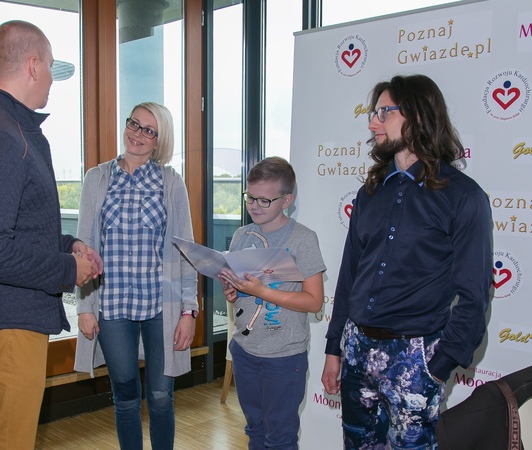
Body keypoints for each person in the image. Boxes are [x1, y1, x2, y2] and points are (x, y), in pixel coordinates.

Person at [0, 20, 102, 449]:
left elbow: (15, 227)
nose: (52, 79)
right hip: (7, 325)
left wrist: (69, 245)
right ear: (33, 66)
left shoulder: (5, 126)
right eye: (50, 66)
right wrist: (68, 268)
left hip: (9, 321)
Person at [321, 74, 493, 449]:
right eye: (373, 114)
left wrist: (438, 366)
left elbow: (475, 295)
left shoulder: (464, 196)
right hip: (356, 349)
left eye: (384, 112)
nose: (373, 123)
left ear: (417, 114)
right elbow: (349, 277)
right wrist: (334, 348)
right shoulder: (369, 193)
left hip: (416, 357)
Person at [74, 102, 198, 450]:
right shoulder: (97, 179)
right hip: (112, 306)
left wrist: (189, 311)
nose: (137, 134)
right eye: (134, 124)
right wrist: (85, 307)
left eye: (149, 130)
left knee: (160, 396)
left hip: (161, 307)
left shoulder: (171, 183)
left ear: (160, 140)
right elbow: (83, 247)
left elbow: (186, 251)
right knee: (126, 396)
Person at [218, 156, 326, 450]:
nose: (254, 206)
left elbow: (314, 301)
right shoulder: (242, 235)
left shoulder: (303, 239)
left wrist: (262, 291)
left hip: (284, 357)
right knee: (255, 431)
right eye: (250, 197)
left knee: (280, 438)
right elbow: (240, 289)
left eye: (264, 200)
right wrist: (233, 291)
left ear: (287, 200)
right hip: (245, 350)